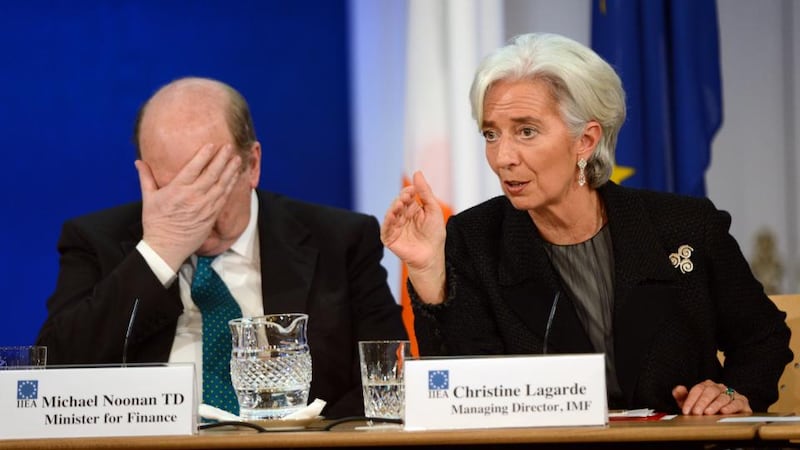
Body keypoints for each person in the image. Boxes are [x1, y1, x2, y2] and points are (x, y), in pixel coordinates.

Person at [382, 33, 792, 415]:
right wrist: (427, 270)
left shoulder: (684, 226)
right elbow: (461, 391)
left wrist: (733, 393)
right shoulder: (474, 238)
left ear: (586, 139)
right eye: (491, 134)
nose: (503, 156)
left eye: (526, 131)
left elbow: (763, 340)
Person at [37, 77, 407, 418]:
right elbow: (50, 379)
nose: (192, 207)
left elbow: (387, 381)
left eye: (209, 183)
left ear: (253, 165)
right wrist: (158, 254)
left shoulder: (340, 241)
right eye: (172, 189)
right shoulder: (96, 240)